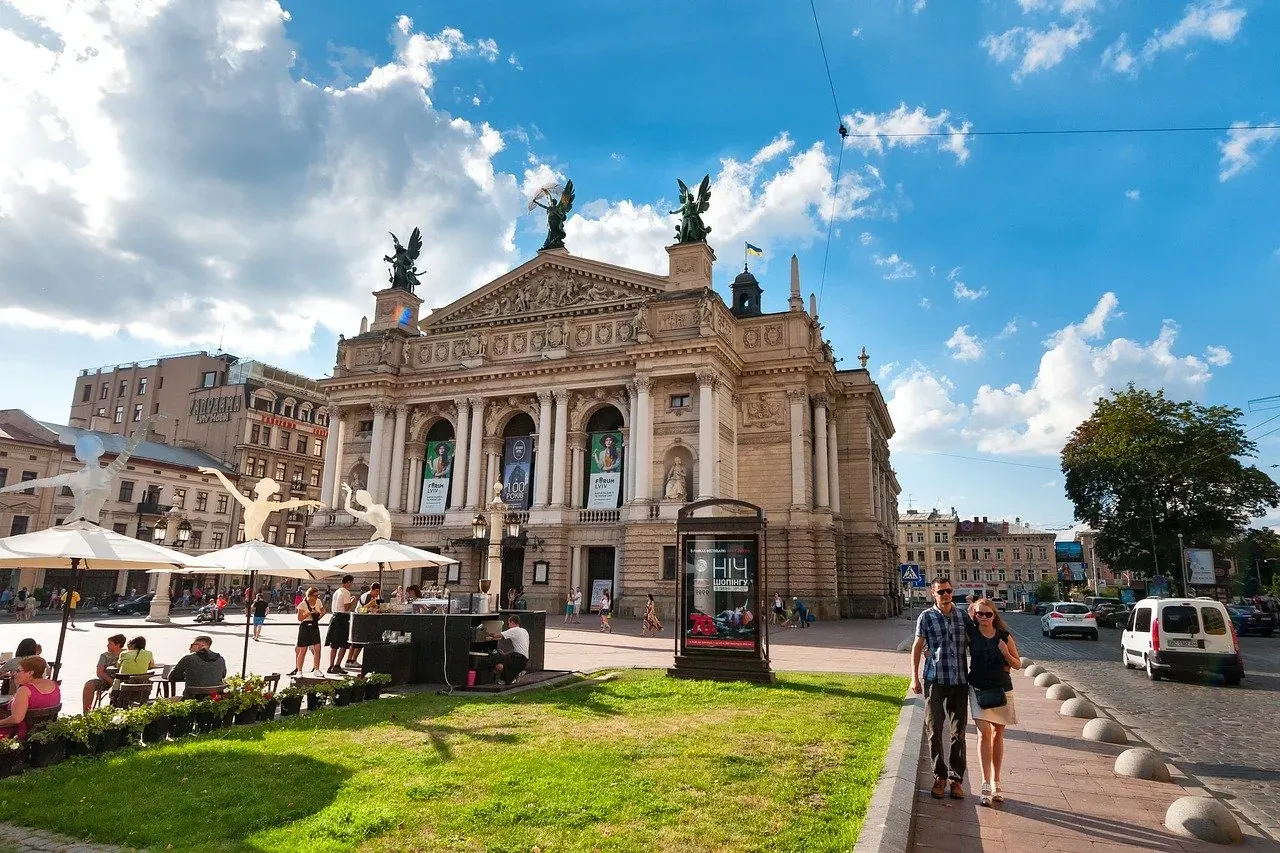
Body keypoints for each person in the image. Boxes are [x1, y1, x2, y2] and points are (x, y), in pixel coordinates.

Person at [911, 578, 970, 800]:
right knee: (934, 729)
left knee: (958, 733)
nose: (945, 595)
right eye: (940, 592)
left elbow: (982, 638)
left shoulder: (963, 616)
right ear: (933, 594)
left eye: (948, 591)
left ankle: (956, 780)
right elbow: (917, 647)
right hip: (934, 680)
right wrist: (914, 678)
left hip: (959, 681)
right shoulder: (926, 617)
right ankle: (939, 776)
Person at [967, 598, 1020, 806]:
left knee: (998, 734)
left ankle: (996, 781)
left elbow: (1017, 664)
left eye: (988, 614)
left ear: (994, 615)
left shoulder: (1004, 636)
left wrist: (1005, 653)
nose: (983, 618)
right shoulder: (971, 634)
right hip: (978, 689)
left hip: (1001, 690)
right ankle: (985, 784)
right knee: (983, 733)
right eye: (979, 614)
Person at [0, 656, 61, 740]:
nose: (14, 674)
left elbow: (16, 719)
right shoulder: (54, 685)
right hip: (46, 734)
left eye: (18, 671)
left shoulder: (25, 690)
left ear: (30, 673)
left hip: (21, 735)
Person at [81, 634, 125, 713]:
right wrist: (112, 682)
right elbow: (100, 673)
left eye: (110, 643)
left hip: (124, 681)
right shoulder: (105, 656)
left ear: (117, 645)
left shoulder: (126, 654)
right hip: (107, 681)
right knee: (89, 685)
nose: (107, 645)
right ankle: (86, 712)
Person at [487, 615, 530, 685]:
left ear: (512, 622)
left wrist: (487, 633)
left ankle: (510, 677)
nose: (508, 626)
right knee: (504, 658)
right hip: (525, 660)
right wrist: (505, 654)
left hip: (517, 659)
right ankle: (517, 673)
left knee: (495, 660)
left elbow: (497, 635)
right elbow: (519, 648)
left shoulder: (514, 630)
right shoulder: (524, 631)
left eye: (508, 624)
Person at [327, 575, 356, 673]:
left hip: (334, 617)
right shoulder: (346, 592)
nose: (352, 585)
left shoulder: (337, 591)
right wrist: (352, 601)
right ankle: (337, 665)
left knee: (334, 644)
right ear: (348, 582)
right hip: (342, 619)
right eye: (351, 583)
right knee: (344, 644)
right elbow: (347, 607)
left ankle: (330, 666)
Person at [293, 587, 325, 675]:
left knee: (317, 649)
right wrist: (309, 613)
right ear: (310, 595)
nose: (317, 597)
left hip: (314, 625)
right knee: (303, 650)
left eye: (318, 595)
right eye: (315, 595)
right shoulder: (302, 604)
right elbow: (299, 618)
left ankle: (317, 669)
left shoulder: (318, 601)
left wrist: (318, 616)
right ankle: (299, 670)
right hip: (305, 626)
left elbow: (323, 611)